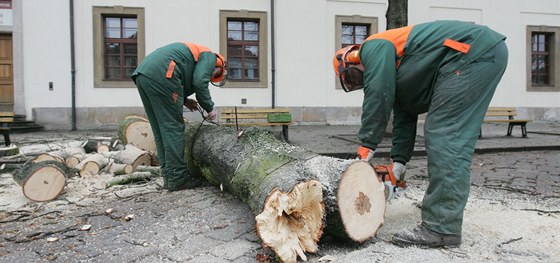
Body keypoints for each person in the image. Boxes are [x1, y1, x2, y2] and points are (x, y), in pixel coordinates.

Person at [333, 20, 508, 247]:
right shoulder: (401, 73)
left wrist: (366, 148)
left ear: (353, 58)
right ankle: (443, 215)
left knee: (445, 133)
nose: (361, 83)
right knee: (445, 132)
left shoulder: (372, 46)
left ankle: (441, 228)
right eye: (354, 83)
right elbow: (405, 116)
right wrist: (399, 164)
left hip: (469, 51)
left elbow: (378, 95)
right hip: (475, 54)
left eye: (355, 77)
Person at [132, 42, 227, 192]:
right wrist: (210, 108)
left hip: (144, 75)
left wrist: (185, 101)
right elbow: (199, 81)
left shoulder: (191, 56)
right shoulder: (210, 57)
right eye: (215, 74)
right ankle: (178, 179)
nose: (212, 76)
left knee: (160, 128)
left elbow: (183, 79)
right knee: (173, 128)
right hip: (163, 73)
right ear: (220, 65)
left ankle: (169, 177)